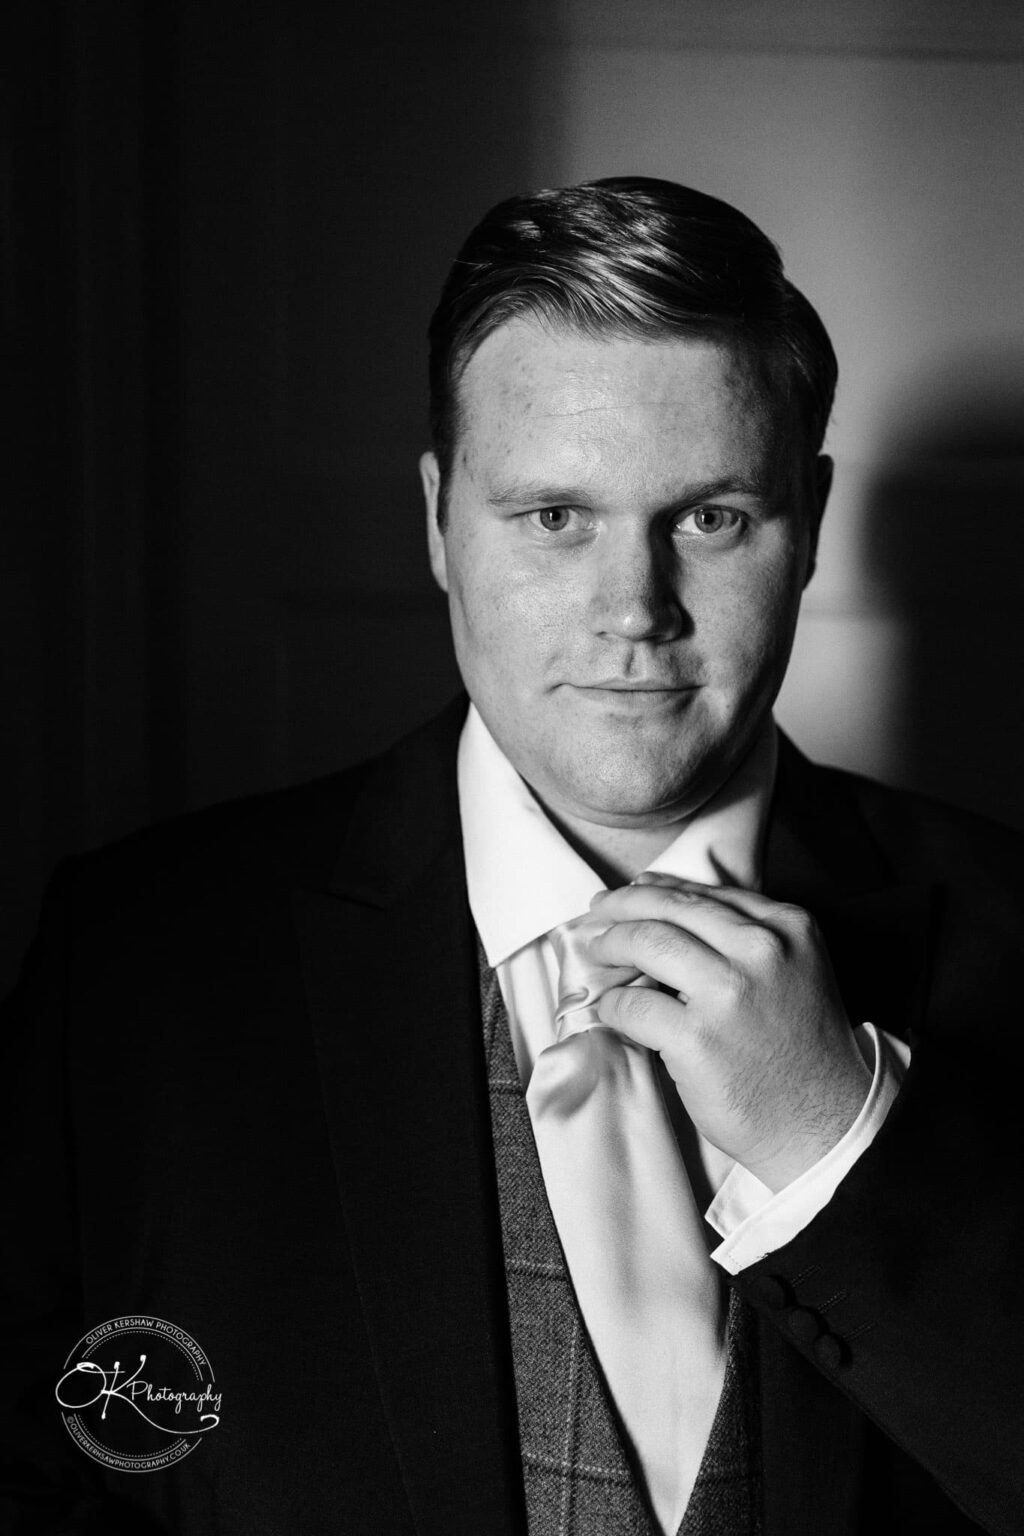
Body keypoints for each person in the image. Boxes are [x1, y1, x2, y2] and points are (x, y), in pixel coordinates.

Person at [3, 177, 1022, 1536]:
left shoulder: (1019, 930)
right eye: (554, 518)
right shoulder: (139, 959)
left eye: (710, 517)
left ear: (810, 520)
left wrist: (845, 1149)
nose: (632, 611)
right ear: (438, 521)